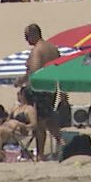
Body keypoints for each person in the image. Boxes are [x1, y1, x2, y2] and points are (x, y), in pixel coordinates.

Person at [23, 24, 60, 158]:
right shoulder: (53, 48)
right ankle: (61, 143)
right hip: (52, 87)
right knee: (49, 117)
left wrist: (24, 83)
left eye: (27, 37)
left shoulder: (37, 50)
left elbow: (35, 72)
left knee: (39, 123)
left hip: (39, 89)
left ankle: (40, 154)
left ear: (34, 34)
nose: (26, 40)